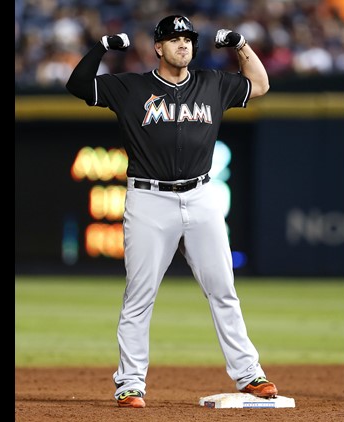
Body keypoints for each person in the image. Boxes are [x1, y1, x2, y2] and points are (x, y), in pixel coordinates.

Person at [66, 15, 278, 409]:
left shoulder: (213, 84)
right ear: (158, 48)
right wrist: (102, 48)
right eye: (174, 39)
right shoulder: (132, 87)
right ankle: (130, 383)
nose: (183, 44)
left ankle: (249, 374)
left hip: (201, 195)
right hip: (149, 200)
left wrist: (240, 44)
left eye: (188, 39)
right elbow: (77, 85)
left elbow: (261, 84)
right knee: (139, 295)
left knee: (223, 290)